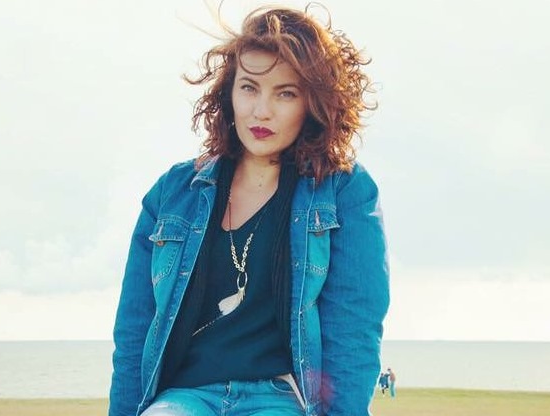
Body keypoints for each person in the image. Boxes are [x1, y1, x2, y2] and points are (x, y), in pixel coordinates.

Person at [109, 5, 389, 416]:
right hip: (185, 396)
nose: (262, 110)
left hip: (280, 399)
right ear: (229, 92)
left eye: (285, 93)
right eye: (249, 87)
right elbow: (134, 329)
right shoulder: (173, 194)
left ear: (313, 102)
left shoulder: (344, 192)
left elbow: (354, 331)